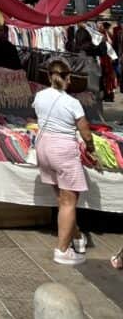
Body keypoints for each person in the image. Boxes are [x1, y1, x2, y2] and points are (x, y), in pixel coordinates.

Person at [33, 58, 97, 266]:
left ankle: (76, 237)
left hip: (43, 148)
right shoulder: (72, 103)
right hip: (63, 151)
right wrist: (91, 150)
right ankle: (62, 251)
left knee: (63, 200)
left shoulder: (39, 96)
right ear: (68, 78)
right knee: (69, 202)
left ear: (48, 76)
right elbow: (86, 133)